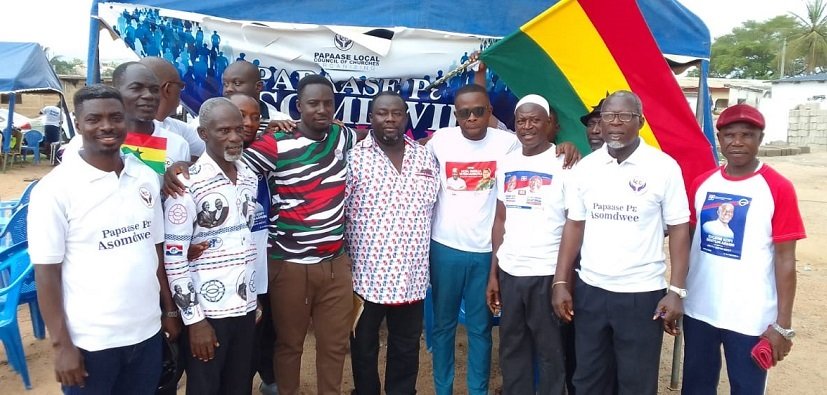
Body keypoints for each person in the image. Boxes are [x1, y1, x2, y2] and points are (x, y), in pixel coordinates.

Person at [426, 84, 578, 395]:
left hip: (499, 257)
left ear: (490, 113)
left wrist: (569, 145)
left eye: (479, 111)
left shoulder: (513, 147)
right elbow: (409, 152)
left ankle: (478, 391)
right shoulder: (441, 141)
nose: (471, 117)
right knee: (451, 329)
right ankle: (444, 389)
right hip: (453, 251)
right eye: (464, 113)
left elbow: (573, 219)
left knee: (485, 330)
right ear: (455, 115)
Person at [28, 84, 178, 394]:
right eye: (94, 119)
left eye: (115, 117)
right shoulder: (55, 190)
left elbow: (155, 251)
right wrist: (62, 346)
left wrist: (168, 311)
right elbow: (46, 273)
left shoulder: (145, 176)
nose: (107, 126)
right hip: (90, 343)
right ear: (79, 124)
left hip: (146, 334)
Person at [552, 90, 691, 395]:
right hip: (591, 291)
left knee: (636, 383)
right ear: (599, 122)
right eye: (607, 115)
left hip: (640, 295)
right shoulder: (586, 169)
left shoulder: (663, 167)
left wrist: (677, 290)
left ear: (639, 121)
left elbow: (680, 228)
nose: (614, 123)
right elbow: (574, 225)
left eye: (624, 116)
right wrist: (561, 281)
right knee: (588, 378)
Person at [682, 104, 806, 394]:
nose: (737, 142)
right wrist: (678, 295)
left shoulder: (778, 188)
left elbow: (786, 260)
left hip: (751, 319)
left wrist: (782, 325)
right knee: (696, 387)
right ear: (719, 138)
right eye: (729, 135)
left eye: (747, 135)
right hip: (700, 311)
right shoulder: (702, 184)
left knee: (746, 388)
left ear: (760, 138)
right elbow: (686, 242)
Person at [344, 91, 440, 395]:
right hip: (365, 276)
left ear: (405, 117)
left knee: (406, 345)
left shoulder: (425, 156)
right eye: (382, 113)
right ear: (371, 118)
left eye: (396, 113)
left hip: (412, 275)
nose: (389, 119)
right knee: (363, 346)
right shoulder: (354, 158)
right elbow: (339, 211)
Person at [163, 97, 258, 395]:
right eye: (223, 131)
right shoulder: (186, 185)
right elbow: (174, 259)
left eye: (238, 130)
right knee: (205, 388)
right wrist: (195, 321)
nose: (233, 137)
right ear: (203, 134)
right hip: (208, 312)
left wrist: (254, 300)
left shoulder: (248, 176)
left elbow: (244, 239)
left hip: (244, 307)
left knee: (239, 386)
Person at [486, 94, 570, 394]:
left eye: (535, 120)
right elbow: (500, 220)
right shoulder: (506, 163)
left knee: (550, 352)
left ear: (549, 124)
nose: (527, 126)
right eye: (521, 120)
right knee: (512, 348)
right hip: (511, 271)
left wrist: (563, 277)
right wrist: (494, 273)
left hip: (547, 273)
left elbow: (575, 224)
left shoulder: (565, 162)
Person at [228, 92, 278, 395]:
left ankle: (270, 377)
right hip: (229, 260)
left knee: (269, 321)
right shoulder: (215, 157)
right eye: (239, 115)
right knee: (240, 329)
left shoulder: (268, 147)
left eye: (255, 116)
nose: (247, 123)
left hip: (266, 253)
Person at [61, 62, 191, 174]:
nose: (148, 95)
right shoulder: (83, 144)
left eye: (154, 90)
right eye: (136, 88)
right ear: (116, 91)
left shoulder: (178, 144)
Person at [140, 56, 205, 159]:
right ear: (168, 89)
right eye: (181, 86)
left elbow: (212, 148)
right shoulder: (177, 141)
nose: (181, 92)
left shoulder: (177, 128)